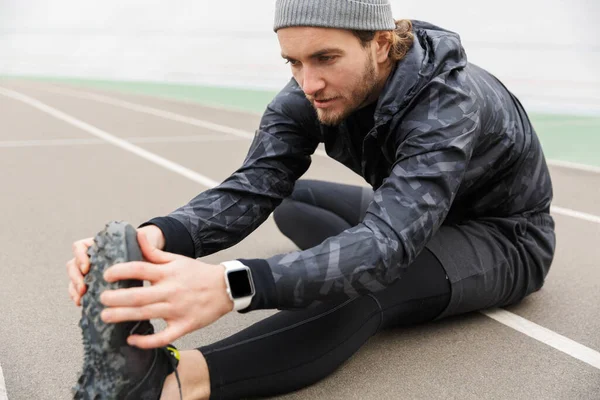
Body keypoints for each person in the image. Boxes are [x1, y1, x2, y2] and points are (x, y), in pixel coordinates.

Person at [66, 0, 556, 399]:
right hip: (418, 209)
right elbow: (255, 183)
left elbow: (385, 245)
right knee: (290, 199)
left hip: (503, 236)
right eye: (294, 62)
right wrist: (154, 240)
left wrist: (236, 283)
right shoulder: (309, 91)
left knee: (370, 279)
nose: (309, 84)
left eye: (325, 58)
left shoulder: (449, 101)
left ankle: (169, 383)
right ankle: (345, 258)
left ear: (381, 44)